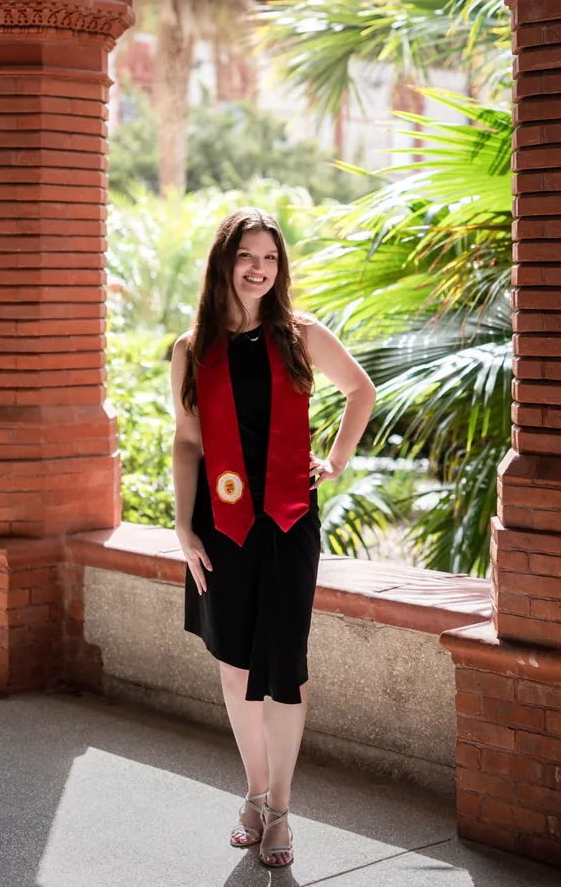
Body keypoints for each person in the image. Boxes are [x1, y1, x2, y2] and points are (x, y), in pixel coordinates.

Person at [170, 206, 377, 867]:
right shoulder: (190, 348)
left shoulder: (299, 334)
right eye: (246, 257)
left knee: (283, 669)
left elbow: (360, 391)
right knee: (235, 671)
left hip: (288, 522)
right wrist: (181, 526)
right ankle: (255, 795)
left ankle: (282, 810)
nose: (259, 269)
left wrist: (335, 461)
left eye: (270, 258)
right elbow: (185, 442)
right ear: (224, 263)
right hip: (222, 526)